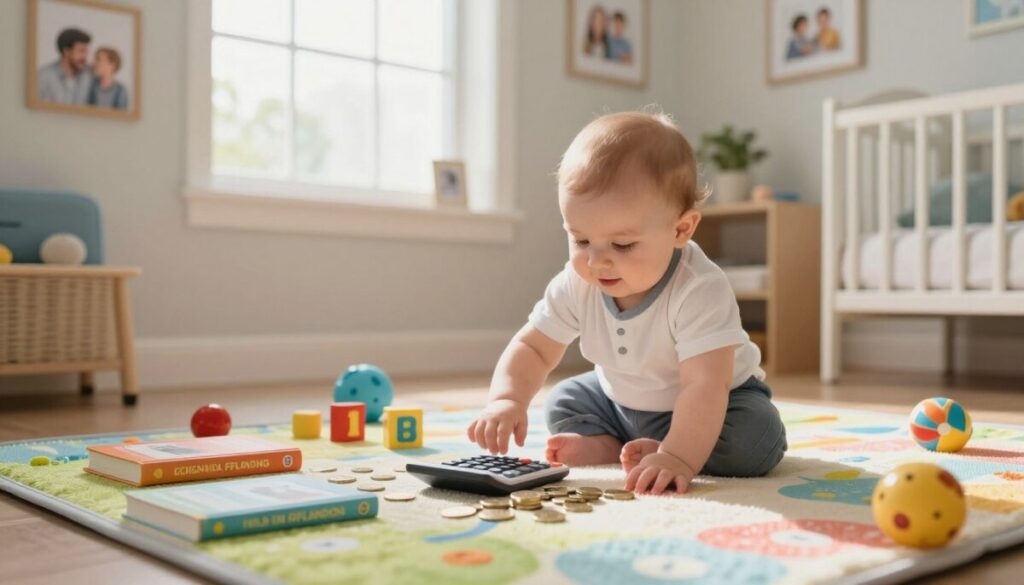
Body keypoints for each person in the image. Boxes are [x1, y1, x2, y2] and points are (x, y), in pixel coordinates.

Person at [466, 110, 787, 495]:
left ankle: (670, 449)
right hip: (620, 400)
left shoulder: (699, 289)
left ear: (681, 229)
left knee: (755, 439)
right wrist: (506, 400)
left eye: (622, 245)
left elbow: (705, 385)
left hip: (719, 401)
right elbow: (533, 348)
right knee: (564, 401)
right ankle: (614, 443)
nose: (597, 260)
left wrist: (680, 458)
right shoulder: (577, 282)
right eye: (581, 240)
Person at [37, 27, 94, 105]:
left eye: (86, 52)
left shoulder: (90, 75)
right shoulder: (44, 76)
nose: (85, 57)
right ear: (66, 52)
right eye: (81, 51)